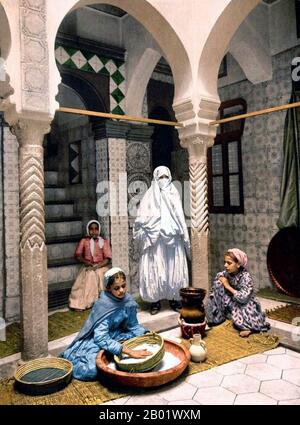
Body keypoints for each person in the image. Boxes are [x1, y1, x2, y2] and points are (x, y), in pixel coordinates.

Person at [61, 267, 150, 381]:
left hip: (118, 334)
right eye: (116, 288)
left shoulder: (127, 300)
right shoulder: (103, 305)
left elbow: (133, 325)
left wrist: (146, 334)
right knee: (91, 371)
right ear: (108, 289)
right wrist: (129, 351)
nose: (122, 290)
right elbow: (100, 338)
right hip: (97, 339)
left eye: (123, 286)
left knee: (143, 341)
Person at [133, 166, 190, 315]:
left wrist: (183, 231)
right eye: (160, 177)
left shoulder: (174, 193)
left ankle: (174, 299)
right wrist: (149, 227)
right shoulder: (149, 196)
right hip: (155, 238)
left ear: (170, 177)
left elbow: (179, 214)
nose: (163, 180)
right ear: (155, 179)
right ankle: (155, 302)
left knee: (173, 268)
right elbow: (142, 216)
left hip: (173, 236)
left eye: (166, 177)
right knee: (156, 268)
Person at [206, 248, 270, 337]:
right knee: (218, 284)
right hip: (232, 301)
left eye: (229, 263)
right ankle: (218, 318)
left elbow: (243, 298)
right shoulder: (227, 273)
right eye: (225, 262)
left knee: (243, 309)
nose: (225, 265)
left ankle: (248, 327)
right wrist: (222, 281)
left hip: (245, 303)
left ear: (238, 264)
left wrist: (227, 286)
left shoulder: (246, 277)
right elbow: (220, 275)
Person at [69, 220, 112, 311]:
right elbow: (78, 255)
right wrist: (86, 262)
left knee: (100, 274)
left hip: (101, 266)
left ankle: (102, 301)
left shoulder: (103, 241)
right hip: (88, 266)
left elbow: (107, 258)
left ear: (99, 230)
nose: (94, 231)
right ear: (88, 230)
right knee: (90, 275)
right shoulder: (84, 241)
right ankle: (86, 301)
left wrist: (98, 266)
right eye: (91, 229)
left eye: (96, 229)